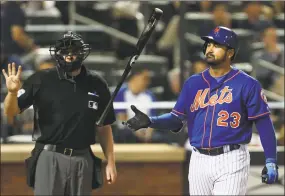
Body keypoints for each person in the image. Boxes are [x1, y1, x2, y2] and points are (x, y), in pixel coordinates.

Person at [122, 26, 279, 195]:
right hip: (198, 158)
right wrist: (151, 121)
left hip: (231, 158)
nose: (210, 49)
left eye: (217, 45)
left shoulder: (247, 84)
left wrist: (270, 160)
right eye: (208, 44)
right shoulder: (193, 83)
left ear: (230, 53)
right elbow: (176, 118)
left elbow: (264, 124)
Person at [2, 31, 117, 195]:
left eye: (74, 51)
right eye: (65, 52)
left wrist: (111, 162)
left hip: (83, 157)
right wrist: (12, 93)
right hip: (50, 156)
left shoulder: (97, 83)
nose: (69, 56)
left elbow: (104, 126)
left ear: (82, 53)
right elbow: (10, 111)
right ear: (57, 54)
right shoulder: (41, 79)